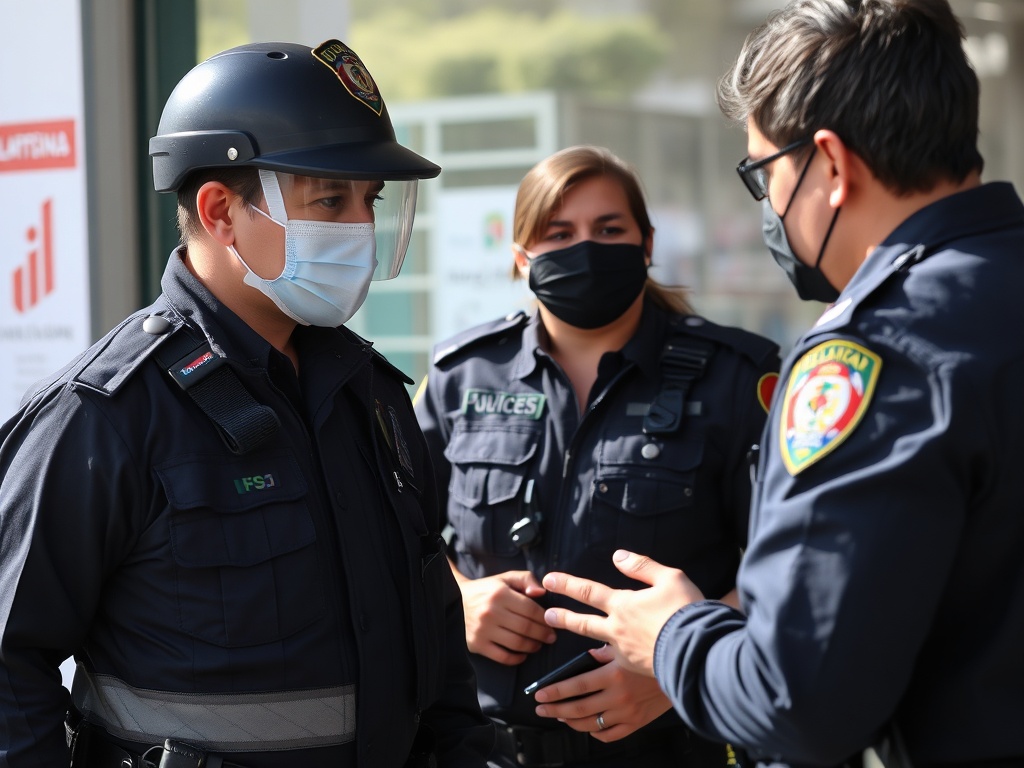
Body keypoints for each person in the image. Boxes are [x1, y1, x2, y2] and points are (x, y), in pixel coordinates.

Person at [540, 2, 1024, 767]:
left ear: (829, 165)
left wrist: (672, 635)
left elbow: (796, 701)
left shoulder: (878, 353)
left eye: (764, 174)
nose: (768, 206)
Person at [0, 39, 493, 768]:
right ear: (220, 209)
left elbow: (436, 653)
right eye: (331, 199)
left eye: (370, 201)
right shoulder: (106, 415)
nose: (360, 224)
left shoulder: (375, 398)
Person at [414, 145, 781, 767]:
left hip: (667, 748)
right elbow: (389, 531)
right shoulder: (462, 375)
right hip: (481, 750)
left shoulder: (736, 378)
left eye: (609, 229)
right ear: (519, 255)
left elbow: (790, 571)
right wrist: (457, 600)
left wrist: (675, 663)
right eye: (559, 232)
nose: (585, 247)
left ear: (647, 244)